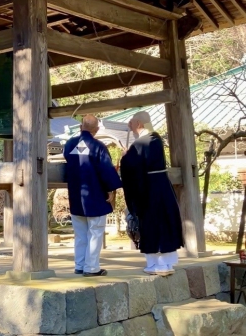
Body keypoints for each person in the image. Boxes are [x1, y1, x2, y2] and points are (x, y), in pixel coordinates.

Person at [120, 111, 183, 276]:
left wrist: (125, 157)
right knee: (165, 222)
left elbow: (130, 165)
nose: (130, 126)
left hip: (149, 190)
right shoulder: (156, 139)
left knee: (153, 224)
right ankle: (167, 264)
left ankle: (157, 265)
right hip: (163, 186)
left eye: (132, 123)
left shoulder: (140, 143)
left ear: (139, 124)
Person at [63, 114, 122, 277]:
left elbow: (69, 160)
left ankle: (80, 265)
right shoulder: (98, 146)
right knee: (95, 232)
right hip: (95, 195)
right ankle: (91, 268)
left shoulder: (69, 144)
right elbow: (106, 170)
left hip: (76, 195)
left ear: (81, 127)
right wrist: (111, 190)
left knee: (80, 234)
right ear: (96, 130)